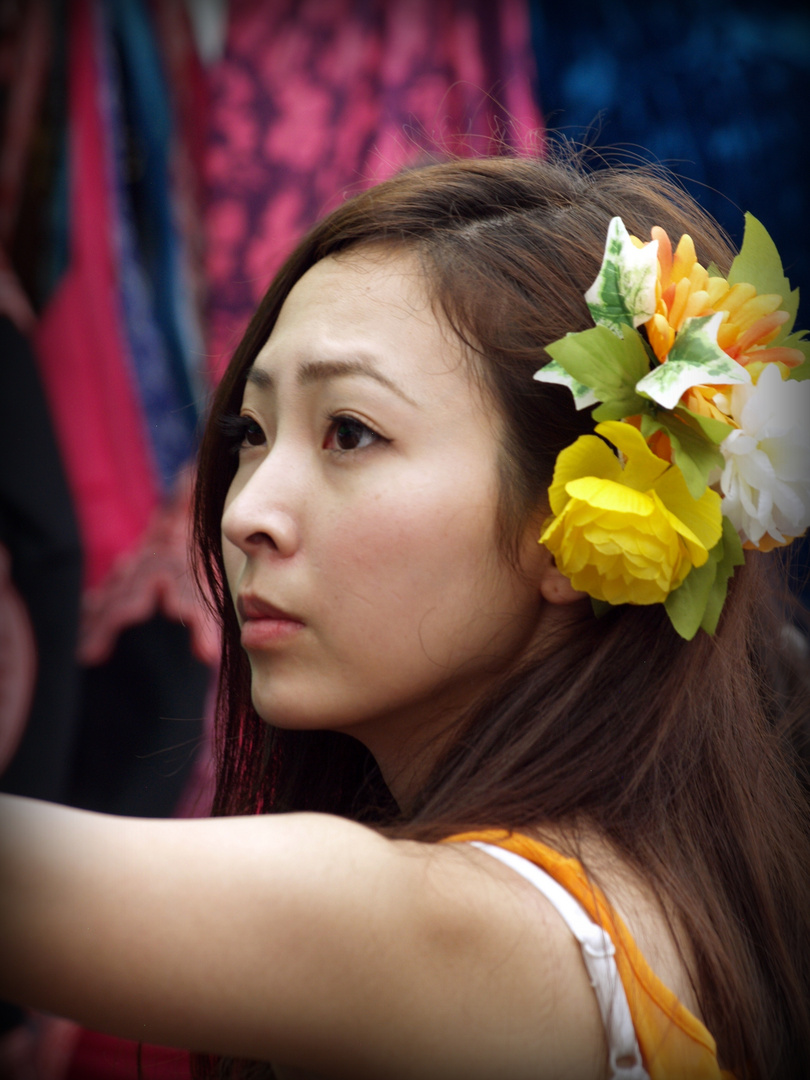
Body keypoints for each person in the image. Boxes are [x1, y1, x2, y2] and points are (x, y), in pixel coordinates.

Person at [1, 152, 809, 1080]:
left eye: (350, 432)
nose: (243, 511)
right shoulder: (675, 879)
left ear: (574, 522)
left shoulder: (489, 933)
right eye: (249, 435)